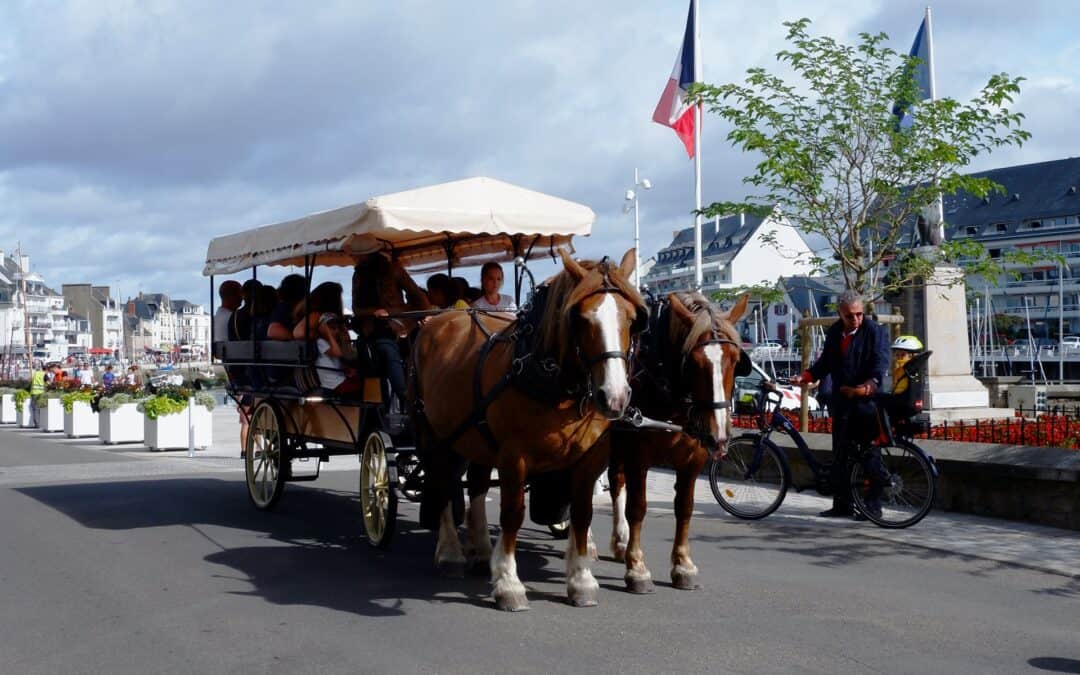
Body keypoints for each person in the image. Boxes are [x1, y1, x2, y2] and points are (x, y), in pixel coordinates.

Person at [790, 290, 889, 519]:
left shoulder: (874, 331)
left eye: (859, 314)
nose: (855, 319)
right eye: (849, 316)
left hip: (866, 404)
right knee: (841, 454)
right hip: (842, 403)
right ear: (840, 314)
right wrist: (805, 376)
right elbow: (826, 363)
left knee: (869, 455)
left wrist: (866, 387)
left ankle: (873, 507)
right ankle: (842, 505)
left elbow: (880, 364)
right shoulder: (835, 331)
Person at [351, 251, 430, 405]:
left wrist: (424, 315)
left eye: (356, 253)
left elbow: (417, 295)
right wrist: (374, 312)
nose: (354, 257)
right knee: (384, 349)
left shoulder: (393, 270)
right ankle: (403, 399)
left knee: (391, 349)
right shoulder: (358, 275)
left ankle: (410, 397)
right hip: (373, 329)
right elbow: (356, 308)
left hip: (399, 326)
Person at [294, 282, 364, 394]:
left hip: (334, 373)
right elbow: (298, 332)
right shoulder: (317, 318)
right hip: (330, 378)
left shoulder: (323, 321)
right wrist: (324, 334)